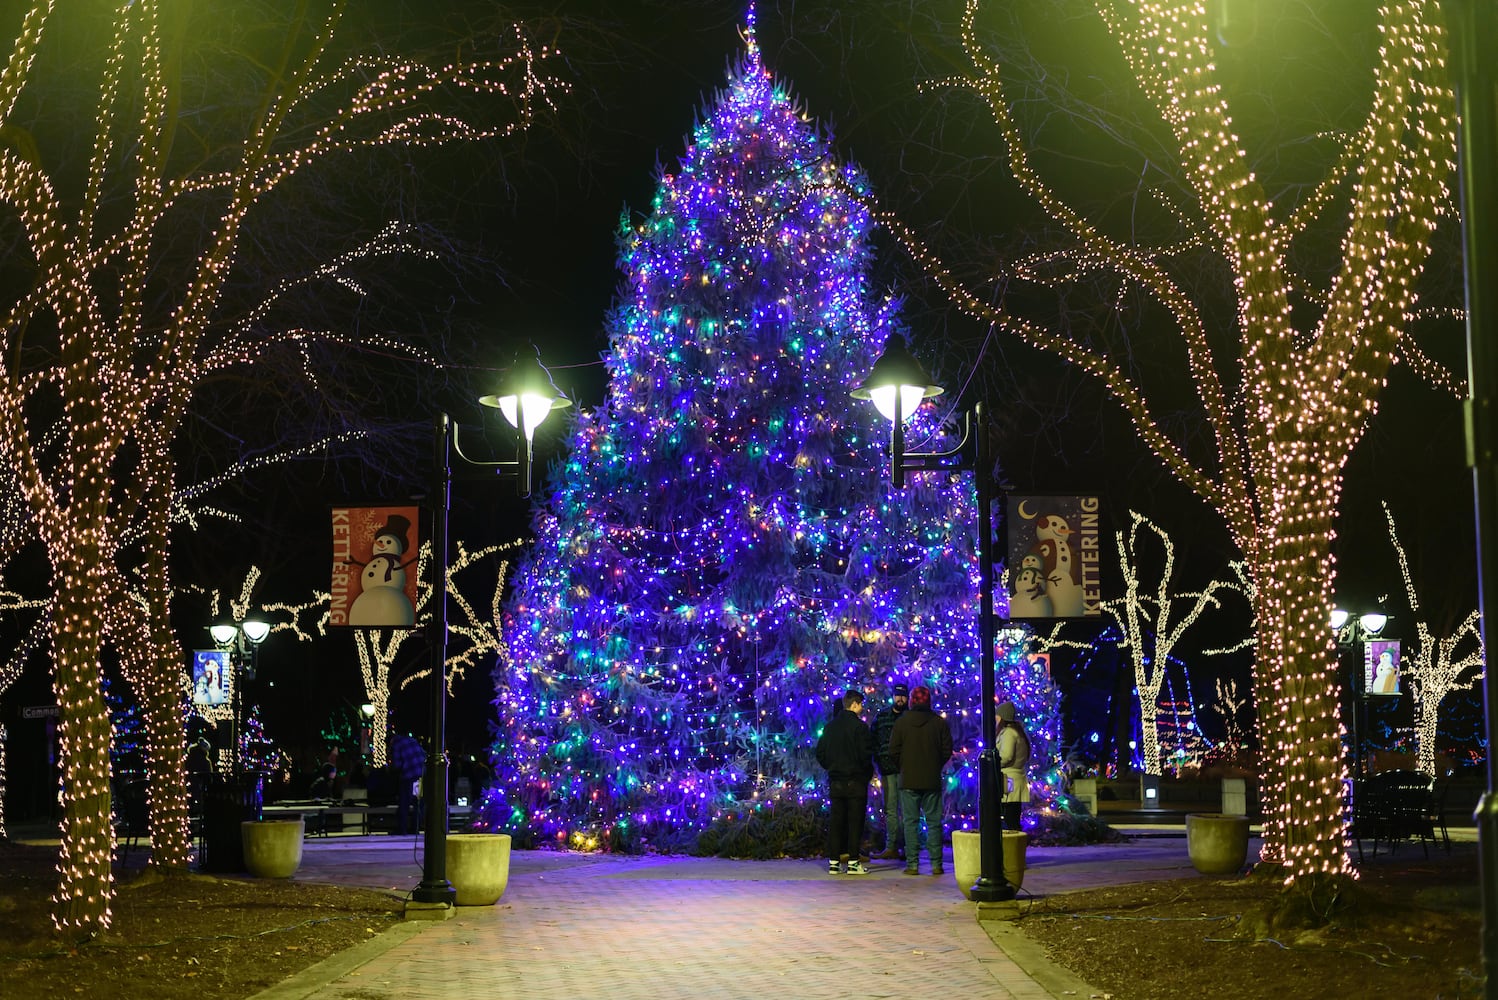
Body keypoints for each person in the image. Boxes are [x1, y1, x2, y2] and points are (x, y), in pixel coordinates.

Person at [888, 685, 953, 876]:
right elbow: (947, 749)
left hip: (908, 779)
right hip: (931, 779)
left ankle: (913, 864)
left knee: (910, 822)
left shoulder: (901, 722)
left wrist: (903, 766)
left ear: (911, 701)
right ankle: (936, 864)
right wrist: (935, 765)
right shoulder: (938, 723)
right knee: (934, 822)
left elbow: (892, 751)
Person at [815, 688, 876, 875]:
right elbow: (866, 756)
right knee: (854, 823)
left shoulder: (830, 727)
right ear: (855, 704)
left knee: (836, 822)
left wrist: (831, 767)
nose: (862, 708)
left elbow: (820, 753)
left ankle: (834, 862)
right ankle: (853, 861)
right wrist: (866, 773)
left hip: (836, 781)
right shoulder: (860, 728)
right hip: (856, 781)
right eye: (861, 704)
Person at [872, 682, 910, 860]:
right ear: (893, 696)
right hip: (887, 770)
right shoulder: (882, 717)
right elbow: (873, 739)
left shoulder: (910, 717)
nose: (900, 699)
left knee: (907, 810)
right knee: (891, 809)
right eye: (897, 695)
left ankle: (907, 847)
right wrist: (878, 760)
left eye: (903, 696)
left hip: (906, 771)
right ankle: (891, 846)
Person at [996, 700, 1031, 831]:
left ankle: (1011, 848)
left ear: (1002, 717)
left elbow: (1006, 755)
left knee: (1009, 819)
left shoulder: (1008, 733)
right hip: (1016, 779)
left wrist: (992, 764)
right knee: (1013, 818)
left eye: (997, 716)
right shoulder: (1018, 732)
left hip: (1008, 781)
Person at [390, 731, 426, 835]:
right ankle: (415, 828)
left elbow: (397, 765)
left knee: (404, 803)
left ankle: (402, 829)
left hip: (409, 776)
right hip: (421, 775)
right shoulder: (412, 740)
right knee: (418, 802)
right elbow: (423, 754)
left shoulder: (396, 745)